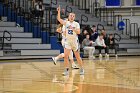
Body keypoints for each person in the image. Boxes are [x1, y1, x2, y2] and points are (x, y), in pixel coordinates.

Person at [57, 5, 84, 75]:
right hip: (68, 41)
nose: (72, 17)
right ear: (68, 17)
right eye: (70, 16)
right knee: (66, 56)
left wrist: (73, 28)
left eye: (73, 16)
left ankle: (82, 68)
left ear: (74, 17)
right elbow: (59, 19)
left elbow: (78, 32)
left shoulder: (76, 24)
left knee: (77, 57)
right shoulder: (66, 23)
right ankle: (66, 70)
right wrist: (59, 11)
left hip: (75, 41)